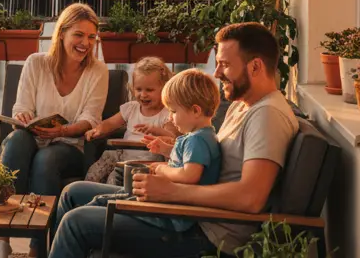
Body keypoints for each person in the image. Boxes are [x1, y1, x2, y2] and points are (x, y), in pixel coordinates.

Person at [48, 22, 299, 258]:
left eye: (224, 64)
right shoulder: (243, 105)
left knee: (76, 223)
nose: (216, 72)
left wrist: (172, 190)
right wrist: (171, 156)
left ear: (255, 67)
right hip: (187, 211)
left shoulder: (267, 116)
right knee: (73, 193)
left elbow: (250, 198)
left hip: (203, 231)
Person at [0, 2, 109, 258]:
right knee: (16, 140)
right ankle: (1, 240)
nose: (85, 43)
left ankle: (38, 248)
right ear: (61, 33)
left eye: (91, 37)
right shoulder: (36, 63)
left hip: (69, 146)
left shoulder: (98, 71)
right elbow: (21, 107)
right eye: (79, 35)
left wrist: (62, 131)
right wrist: (23, 116)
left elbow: (90, 119)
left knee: (47, 158)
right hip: (32, 139)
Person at [90, 68, 222, 234]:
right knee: (105, 200)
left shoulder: (197, 140)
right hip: (170, 207)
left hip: (172, 215)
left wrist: (161, 169)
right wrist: (166, 150)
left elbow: (189, 175)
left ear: (196, 111)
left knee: (102, 202)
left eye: (174, 111)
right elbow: (186, 162)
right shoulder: (203, 136)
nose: (170, 117)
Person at [84, 56, 177, 184]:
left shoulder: (167, 114)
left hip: (148, 162)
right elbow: (110, 123)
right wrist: (97, 130)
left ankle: (109, 193)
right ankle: (87, 185)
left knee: (113, 179)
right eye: (138, 89)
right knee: (104, 159)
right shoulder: (131, 108)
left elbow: (172, 138)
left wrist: (155, 130)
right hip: (123, 157)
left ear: (165, 88)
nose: (143, 94)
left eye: (149, 90)